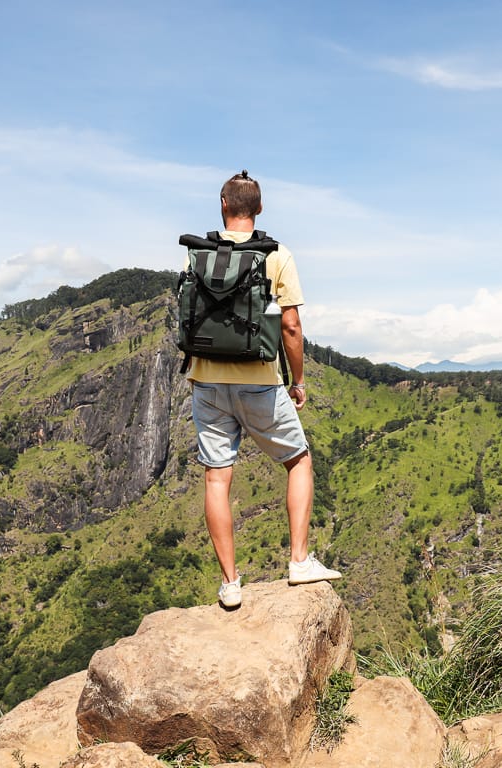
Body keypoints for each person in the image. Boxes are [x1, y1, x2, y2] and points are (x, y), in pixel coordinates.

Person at [186, 170, 341, 608]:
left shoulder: (197, 254)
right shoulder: (277, 255)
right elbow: (290, 326)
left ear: (222, 205)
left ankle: (231, 584)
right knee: (298, 460)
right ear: (259, 208)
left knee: (217, 477)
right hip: (258, 381)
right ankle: (298, 561)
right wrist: (299, 381)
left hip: (206, 380)